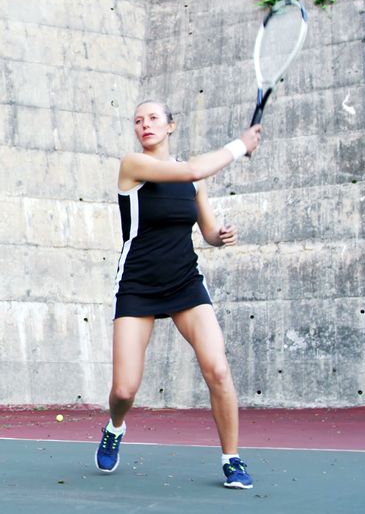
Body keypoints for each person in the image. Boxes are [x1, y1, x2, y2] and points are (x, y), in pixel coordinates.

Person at [95, 101, 262, 490]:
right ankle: (115, 426)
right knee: (124, 390)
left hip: (185, 283)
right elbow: (189, 169)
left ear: (171, 126)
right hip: (138, 284)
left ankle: (232, 460)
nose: (145, 125)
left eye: (153, 118)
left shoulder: (194, 181)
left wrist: (219, 237)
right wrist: (239, 145)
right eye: (138, 120)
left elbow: (206, 231)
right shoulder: (133, 165)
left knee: (217, 369)